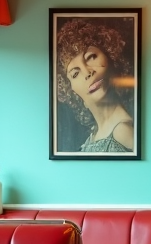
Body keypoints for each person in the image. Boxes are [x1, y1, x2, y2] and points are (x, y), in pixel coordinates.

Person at [55, 18, 136, 152]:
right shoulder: (93, 135)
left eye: (91, 57)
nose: (87, 72)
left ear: (111, 57)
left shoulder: (123, 132)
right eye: (75, 74)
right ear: (71, 91)